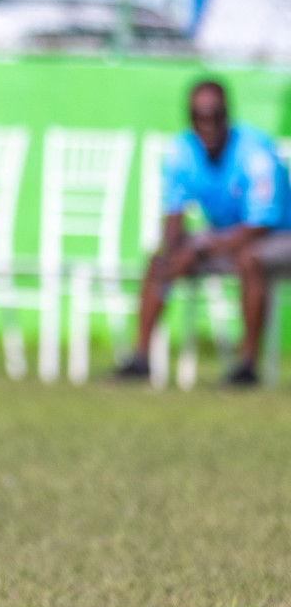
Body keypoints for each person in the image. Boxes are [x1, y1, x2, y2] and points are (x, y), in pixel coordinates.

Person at [115, 79, 291, 386]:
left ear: (227, 115)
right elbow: (174, 216)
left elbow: (259, 225)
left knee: (250, 258)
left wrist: (201, 248)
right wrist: (172, 251)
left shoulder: (255, 152)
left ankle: (247, 366)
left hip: (277, 237)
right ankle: (140, 359)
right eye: (199, 117)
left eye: (214, 116)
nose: (207, 125)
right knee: (160, 258)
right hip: (223, 239)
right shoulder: (182, 151)